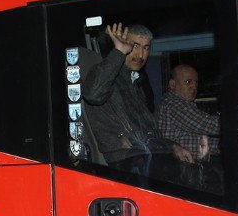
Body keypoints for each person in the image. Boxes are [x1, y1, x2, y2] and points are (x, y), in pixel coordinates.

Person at [82, 23, 193, 177]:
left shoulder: (136, 83)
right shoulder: (106, 75)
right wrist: (119, 51)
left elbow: (149, 134)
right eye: (134, 46)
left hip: (145, 157)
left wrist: (174, 147)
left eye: (146, 48)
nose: (140, 55)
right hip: (126, 161)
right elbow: (93, 94)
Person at [156, 64, 221, 160]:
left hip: (195, 164)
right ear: (173, 84)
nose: (194, 87)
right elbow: (208, 125)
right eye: (188, 82)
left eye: (196, 82)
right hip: (185, 167)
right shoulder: (173, 104)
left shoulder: (183, 104)